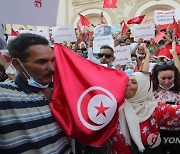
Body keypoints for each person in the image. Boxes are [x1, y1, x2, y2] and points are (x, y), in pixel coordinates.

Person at [0, 33, 72, 153]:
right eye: (42, 62)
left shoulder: (65, 92)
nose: (52, 68)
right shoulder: (4, 96)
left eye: (53, 61)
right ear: (17, 64)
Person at [110, 71, 180, 154]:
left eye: (133, 82)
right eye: (127, 80)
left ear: (142, 89)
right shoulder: (112, 107)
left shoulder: (154, 109)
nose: (127, 84)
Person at [151, 41, 180, 154]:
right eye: (163, 78)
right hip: (158, 133)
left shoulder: (178, 90)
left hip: (177, 133)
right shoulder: (152, 91)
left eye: (170, 78)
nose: (167, 81)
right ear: (156, 77)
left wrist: (174, 55)